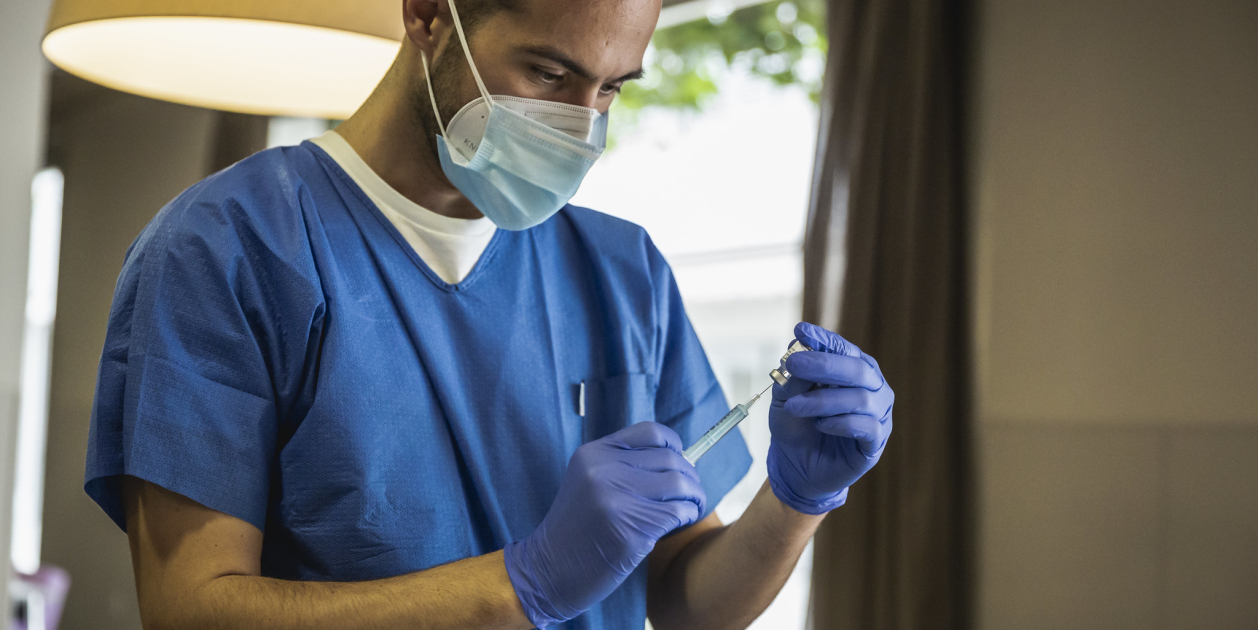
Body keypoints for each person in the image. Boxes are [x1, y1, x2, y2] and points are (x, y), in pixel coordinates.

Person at [84, 0, 895, 627]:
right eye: (548, 75)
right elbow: (192, 610)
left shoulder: (623, 271)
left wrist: (795, 504)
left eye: (610, 88)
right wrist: (524, 583)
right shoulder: (228, 247)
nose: (583, 126)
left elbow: (682, 600)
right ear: (430, 15)